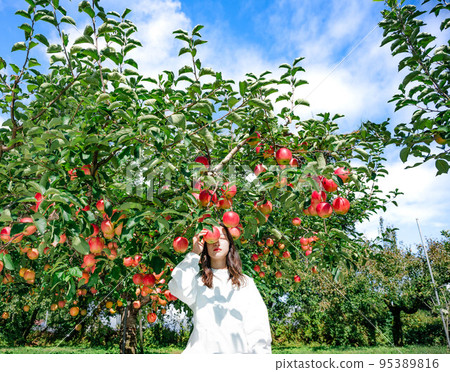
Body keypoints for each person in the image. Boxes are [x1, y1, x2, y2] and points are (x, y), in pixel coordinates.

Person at [168, 223, 272, 354]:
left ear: (230, 244)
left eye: (222, 237)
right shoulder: (198, 282)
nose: (216, 242)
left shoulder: (245, 283)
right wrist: (194, 253)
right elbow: (179, 287)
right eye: (211, 238)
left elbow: (258, 327)